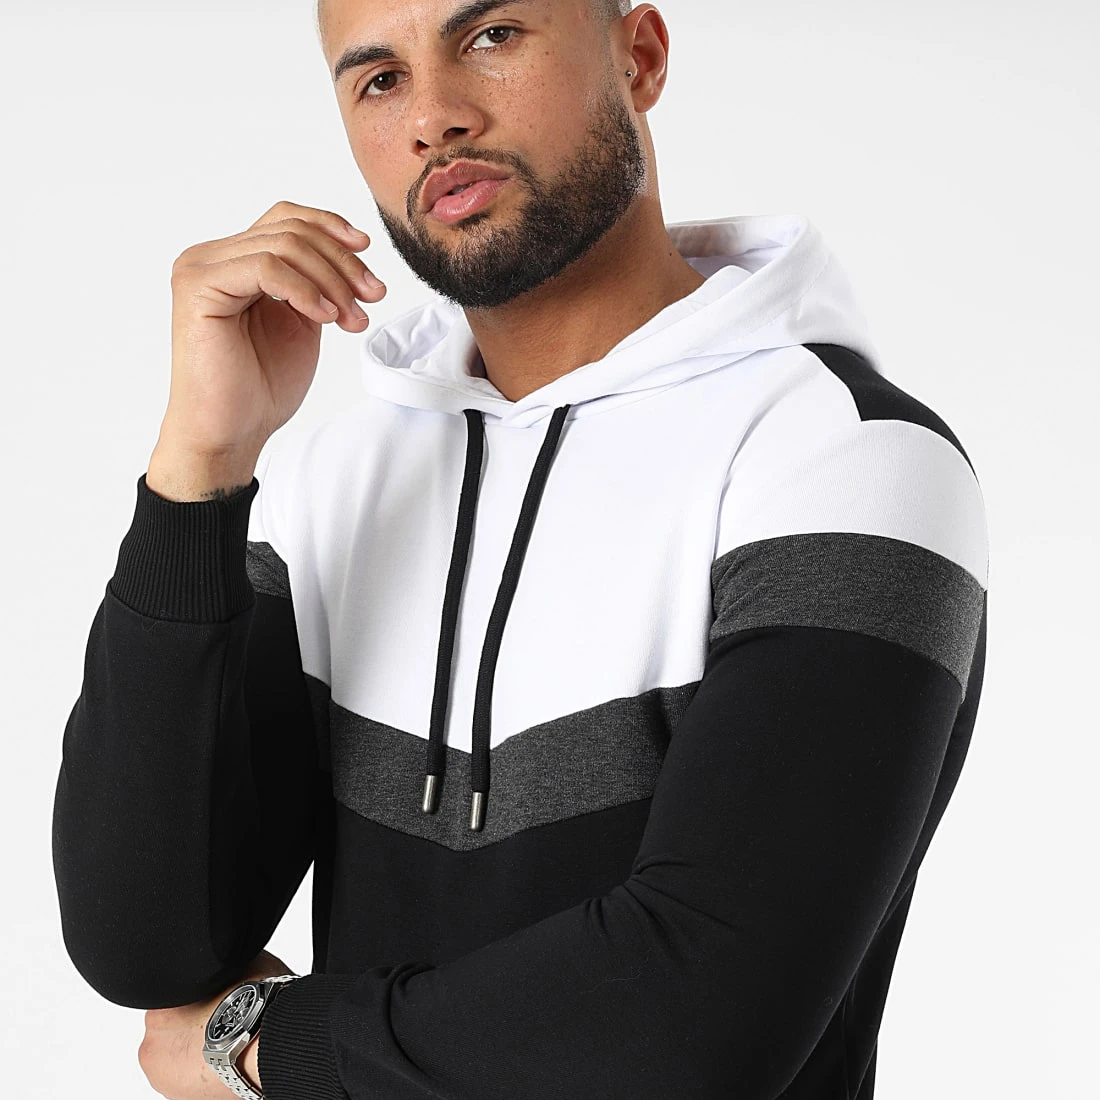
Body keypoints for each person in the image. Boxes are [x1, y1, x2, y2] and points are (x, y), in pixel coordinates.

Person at [51, 0, 990, 1097]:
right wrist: (198, 472)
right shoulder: (335, 482)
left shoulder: (846, 454)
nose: (433, 118)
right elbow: (146, 939)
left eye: (489, 36)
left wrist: (263, 1043)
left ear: (638, 57)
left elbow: (688, 1023)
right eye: (378, 79)